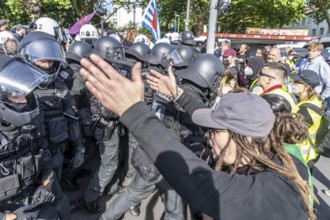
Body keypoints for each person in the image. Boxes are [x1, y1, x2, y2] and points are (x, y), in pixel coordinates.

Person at [79, 54, 316, 220]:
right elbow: (210, 117)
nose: (208, 136)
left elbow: (201, 183)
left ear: (243, 137)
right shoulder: (260, 145)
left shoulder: (276, 188)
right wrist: (177, 93)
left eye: (214, 131)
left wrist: (135, 112)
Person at [0, 55, 68, 220]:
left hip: (34, 193)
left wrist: (47, 180)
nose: (25, 100)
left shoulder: (31, 122)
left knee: (63, 207)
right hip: (9, 209)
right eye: (15, 95)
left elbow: (42, 149)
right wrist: (6, 217)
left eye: (26, 94)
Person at [290, 70, 322, 169]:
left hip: (303, 155)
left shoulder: (306, 108)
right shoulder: (315, 99)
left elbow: (291, 130)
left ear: (306, 86)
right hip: (312, 152)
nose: (293, 83)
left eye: (297, 82)